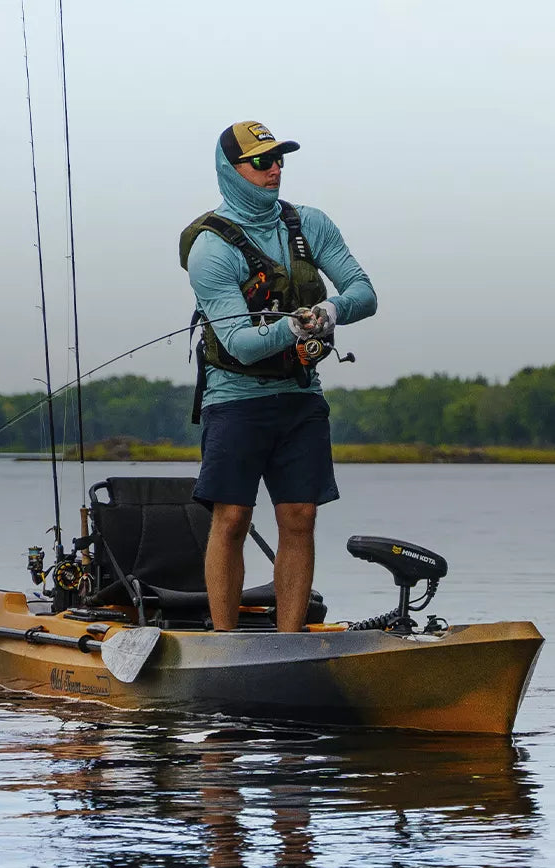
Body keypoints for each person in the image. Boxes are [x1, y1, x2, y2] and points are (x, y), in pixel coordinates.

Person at [179, 120, 376, 632]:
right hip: (234, 401)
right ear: (231, 170)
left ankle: (290, 640)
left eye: (280, 159)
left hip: (300, 397)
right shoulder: (210, 247)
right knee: (232, 519)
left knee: (300, 517)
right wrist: (293, 326)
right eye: (262, 162)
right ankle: (224, 643)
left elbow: (364, 293)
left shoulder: (311, 224)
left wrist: (330, 311)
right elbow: (242, 345)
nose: (275, 170)